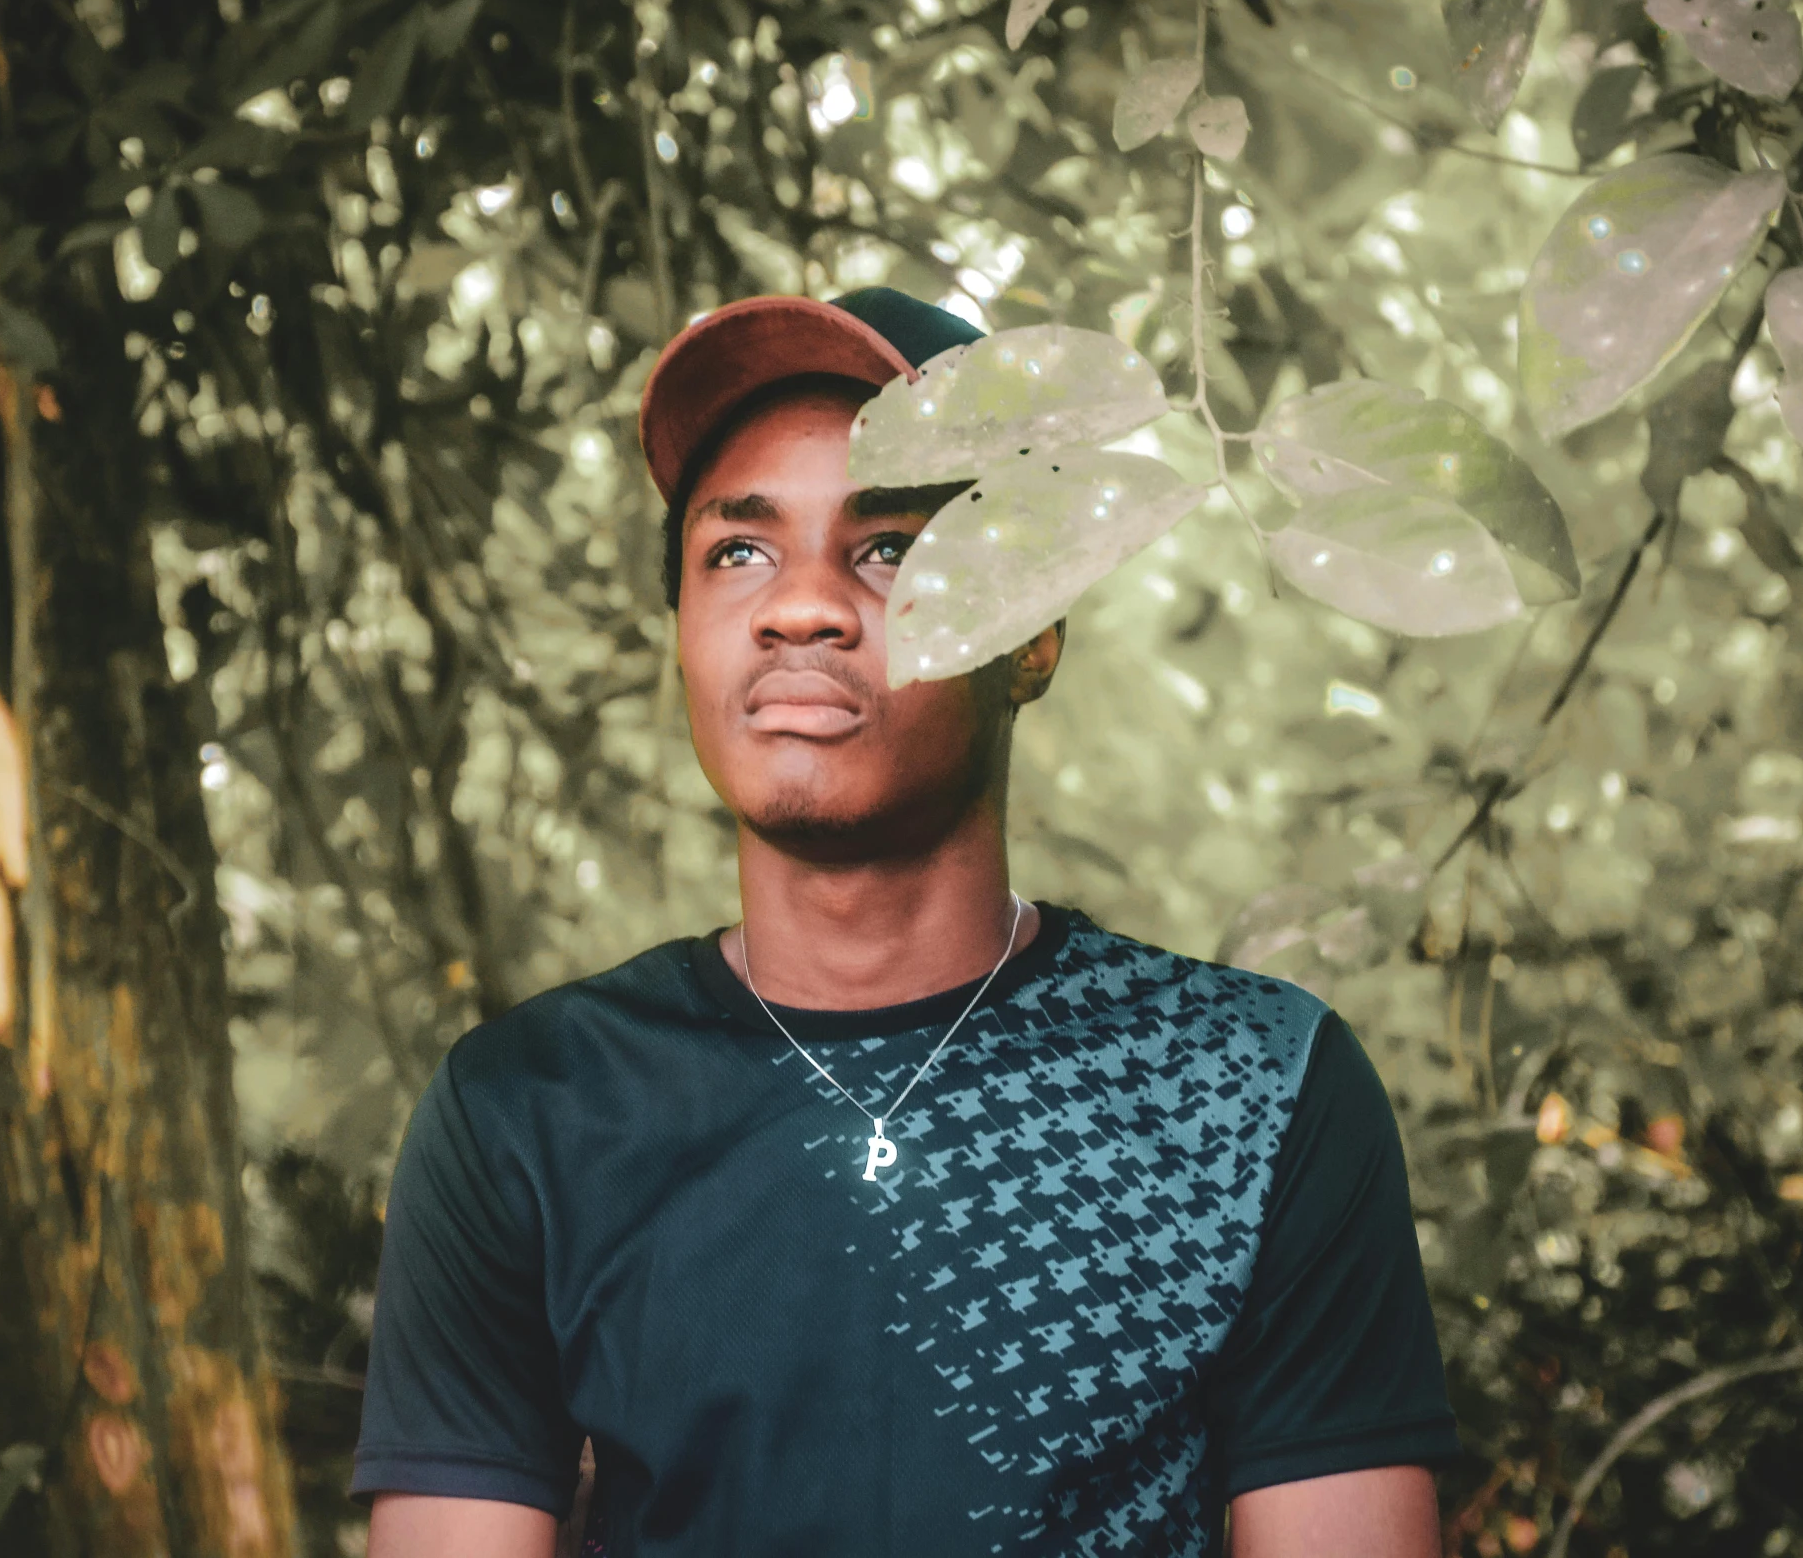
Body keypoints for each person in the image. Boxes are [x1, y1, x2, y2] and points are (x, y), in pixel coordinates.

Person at [354, 288, 1459, 1557]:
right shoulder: (528, 1109)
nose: (801, 607)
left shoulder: (1253, 1086)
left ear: (1032, 634)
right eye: (739, 551)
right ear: (682, 626)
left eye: (886, 548)